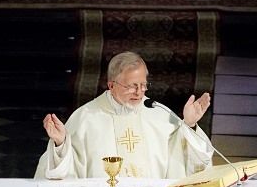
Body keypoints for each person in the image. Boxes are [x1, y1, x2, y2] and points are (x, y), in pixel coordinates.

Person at [35, 51, 214, 179]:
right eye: (131, 86)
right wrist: (60, 144)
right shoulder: (86, 117)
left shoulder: (160, 114)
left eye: (143, 84)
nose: (139, 92)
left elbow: (187, 162)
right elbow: (66, 171)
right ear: (111, 85)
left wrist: (189, 125)